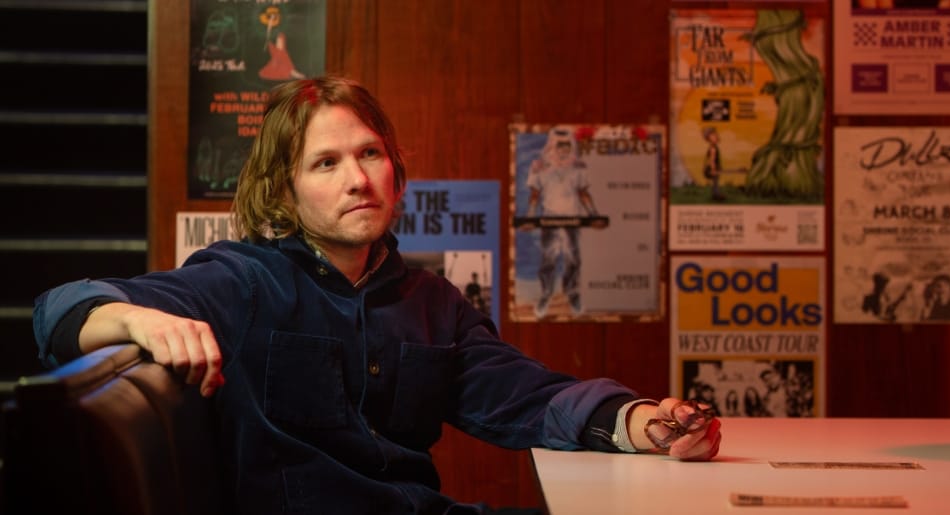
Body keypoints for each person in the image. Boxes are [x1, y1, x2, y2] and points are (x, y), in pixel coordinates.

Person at [32, 76, 720, 514]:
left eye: (368, 154)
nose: (356, 179)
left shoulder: (433, 301)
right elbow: (56, 312)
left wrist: (641, 422)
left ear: (395, 170)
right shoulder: (242, 281)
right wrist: (133, 319)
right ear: (285, 192)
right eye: (325, 163)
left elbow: (528, 397)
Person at [522, 127, 604, 318]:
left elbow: (583, 193)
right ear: (551, 146)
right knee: (548, 259)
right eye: (559, 146)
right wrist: (530, 217)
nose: (563, 150)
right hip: (549, 219)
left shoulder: (578, 168)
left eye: (567, 145)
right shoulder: (540, 167)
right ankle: (546, 293)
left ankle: (572, 293)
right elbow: (534, 195)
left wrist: (593, 215)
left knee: (573, 259)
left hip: (571, 220)